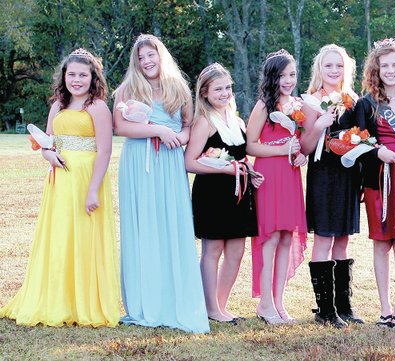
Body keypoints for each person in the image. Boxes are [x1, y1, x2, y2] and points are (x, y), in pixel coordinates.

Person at [0, 48, 120, 327]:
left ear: (93, 78)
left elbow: (105, 151)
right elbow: (47, 142)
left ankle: (83, 302)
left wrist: (93, 190)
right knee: (61, 236)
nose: (76, 80)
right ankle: (57, 297)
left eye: (83, 75)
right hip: (60, 179)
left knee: (83, 237)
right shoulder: (58, 105)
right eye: (72, 74)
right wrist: (48, 155)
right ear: (64, 76)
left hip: (86, 178)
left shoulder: (98, 107)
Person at [113, 34, 209, 333]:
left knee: (170, 225)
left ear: (160, 55)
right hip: (138, 162)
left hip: (168, 162)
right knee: (144, 227)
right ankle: (145, 302)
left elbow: (186, 125)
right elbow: (120, 126)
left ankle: (174, 299)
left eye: (150, 55)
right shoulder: (127, 89)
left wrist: (178, 137)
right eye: (140, 58)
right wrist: (155, 129)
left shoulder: (177, 87)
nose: (146, 61)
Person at [345, 39, 395, 329]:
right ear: (375, 69)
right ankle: (384, 309)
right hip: (379, 181)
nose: (390, 71)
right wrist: (378, 151)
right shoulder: (366, 104)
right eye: (384, 65)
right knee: (381, 244)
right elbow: (359, 142)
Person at [185, 63, 262, 324]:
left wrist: (249, 172)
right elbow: (189, 162)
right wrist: (227, 170)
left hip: (239, 193)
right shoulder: (204, 122)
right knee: (213, 249)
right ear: (204, 92)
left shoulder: (237, 121)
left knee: (237, 251)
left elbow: (243, 157)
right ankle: (211, 308)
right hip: (212, 193)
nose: (224, 93)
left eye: (228, 88)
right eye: (218, 89)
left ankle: (221, 304)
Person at [298, 44, 362, 328]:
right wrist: (318, 125)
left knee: (344, 237)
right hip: (323, 174)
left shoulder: (353, 100)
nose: (334, 71)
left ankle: (343, 307)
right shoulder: (312, 101)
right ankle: (325, 309)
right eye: (328, 66)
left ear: (346, 69)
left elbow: (361, 138)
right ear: (319, 69)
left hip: (347, 174)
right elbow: (305, 146)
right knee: (324, 237)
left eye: (339, 66)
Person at [245, 49, 308, 324]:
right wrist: (282, 149)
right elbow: (249, 145)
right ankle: (265, 304)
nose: (288, 80)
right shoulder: (263, 106)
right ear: (272, 77)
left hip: (291, 174)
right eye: (282, 75)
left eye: (292, 74)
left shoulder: (297, 105)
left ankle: (280, 303)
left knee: (285, 237)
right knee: (269, 238)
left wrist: (300, 152)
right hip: (269, 174)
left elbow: (299, 140)